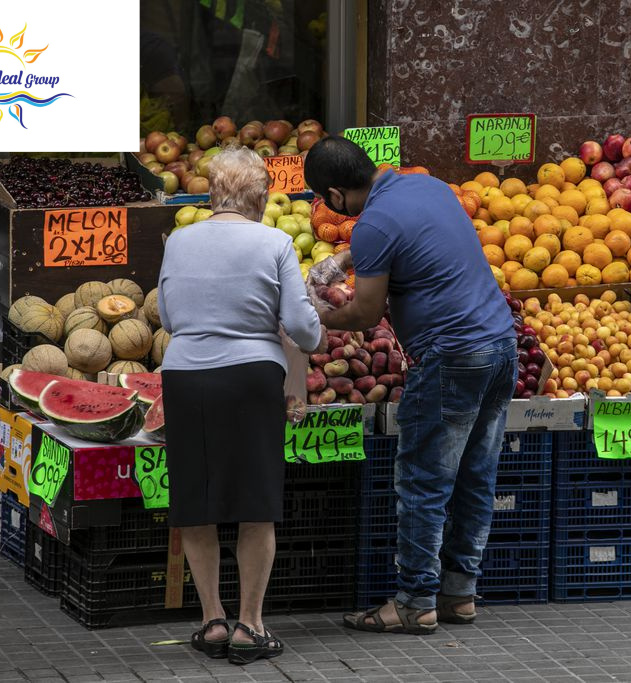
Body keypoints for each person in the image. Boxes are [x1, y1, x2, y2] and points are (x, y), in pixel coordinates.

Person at [304, 137, 517, 635]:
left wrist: (315, 314)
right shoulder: (429, 186)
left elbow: (366, 311)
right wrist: (345, 259)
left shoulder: (373, 223)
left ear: (335, 195)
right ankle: (460, 594)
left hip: (450, 358)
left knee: (424, 481)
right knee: (475, 475)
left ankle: (415, 601)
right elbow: (406, 236)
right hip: (499, 346)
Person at [157, 145, 325, 664]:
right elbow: (300, 327)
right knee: (255, 505)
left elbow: (166, 316)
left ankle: (211, 621)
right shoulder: (274, 241)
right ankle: (249, 627)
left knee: (197, 502)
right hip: (251, 378)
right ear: (260, 195)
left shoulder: (179, 241)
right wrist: (312, 338)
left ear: (212, 194)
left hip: (184, 376)